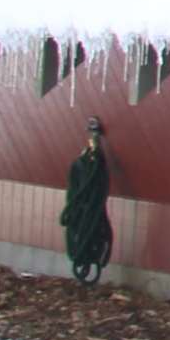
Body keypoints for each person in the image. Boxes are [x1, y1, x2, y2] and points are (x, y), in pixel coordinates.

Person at [60, 118, 113, 286]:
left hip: (89, 208)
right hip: (84, 208)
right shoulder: (80, 166)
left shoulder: (90, 166)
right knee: (87, 223)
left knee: (92, 224)